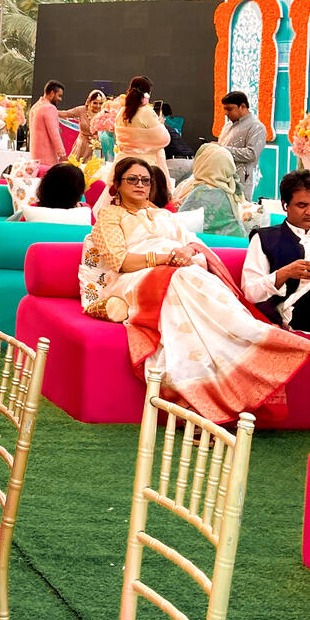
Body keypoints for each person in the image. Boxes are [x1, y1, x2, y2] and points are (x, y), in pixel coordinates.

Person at [78, 155, 308, 423]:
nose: (140, 185)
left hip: (178, 272)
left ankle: (249, 340)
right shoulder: (110, 217)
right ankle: (199, 394)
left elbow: (194, 244)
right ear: (117, 184)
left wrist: (187, 252)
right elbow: (120, 261)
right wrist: (164, 258)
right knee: (180, 280)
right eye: (132, 179)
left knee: (195, 279)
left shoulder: (165, 215)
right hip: (135, 278)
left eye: (145, 180)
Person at [242, 169, 310, 331]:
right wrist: (284, 273)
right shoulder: (265, 238)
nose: (309, 212)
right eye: (302, 205)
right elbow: (250, 293)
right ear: (285, 205)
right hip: (293, 310)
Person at [172, 143, 245, 238]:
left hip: (214, 244)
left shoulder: (202, 191)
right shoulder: (230, 189)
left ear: (203, 164)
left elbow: (178, 224)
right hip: (238, 241)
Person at [111, 74, 170, 179]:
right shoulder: (147, 113)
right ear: (147, 94)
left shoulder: (121, 113)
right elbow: (164, 139)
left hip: (122, 164)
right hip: (144, 166)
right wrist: (160, 124)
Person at [218, 90, 267, 200]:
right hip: (222, 178)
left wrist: (222, 150)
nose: (226, 113)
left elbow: (252, 154)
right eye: (225, 109)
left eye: (229, 109)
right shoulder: (228, 125)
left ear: (243, 106)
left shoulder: (256, 127)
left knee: (239, 208)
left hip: (241, 180)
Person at [20, 162, 92, 225]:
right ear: (79, 191)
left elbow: (19, 232)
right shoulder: (86, 211)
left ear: (45, 186)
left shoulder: (32, 209)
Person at [28, 80, 66, 170]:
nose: (60, 99)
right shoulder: (49, 108)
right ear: (52, 93)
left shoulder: (35, 107)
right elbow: (54, 133)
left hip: (35, 157)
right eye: (59, 96)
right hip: (47, 157)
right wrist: (62, 154)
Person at [61, 88, 106, 164]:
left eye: (100, 103)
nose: (98, 106)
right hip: (82, 146)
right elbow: (65, 114)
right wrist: (50, 109)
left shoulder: (106, 114)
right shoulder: (82, 110)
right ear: (89, 102)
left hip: (98, 148)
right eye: (95, 103)